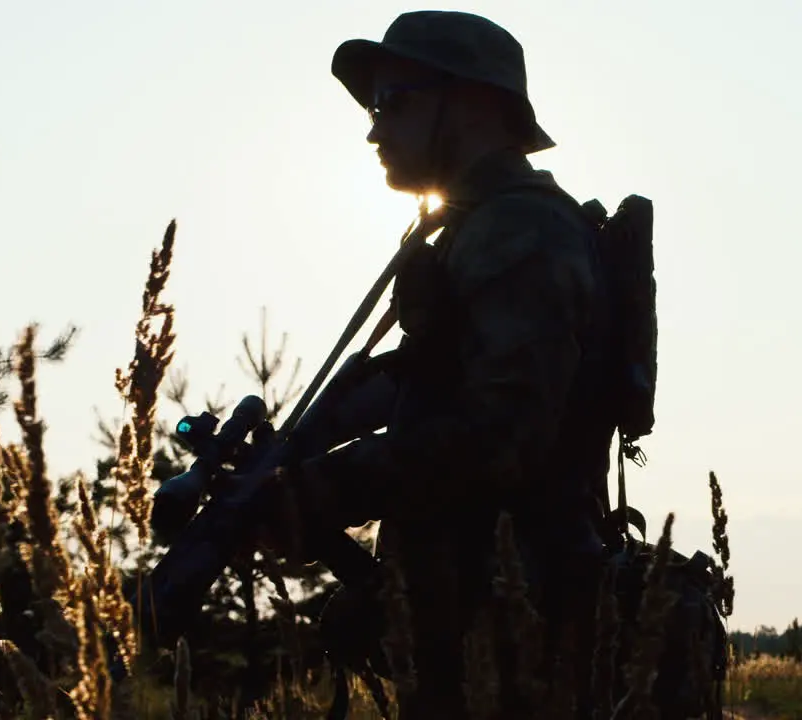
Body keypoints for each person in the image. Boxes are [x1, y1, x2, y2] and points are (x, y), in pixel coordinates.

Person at [264, 10, 619, 718]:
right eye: (373, 106)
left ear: (475, 103)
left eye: (394, 102)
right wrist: (286, 469)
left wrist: (325, 490)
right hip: (476, 624)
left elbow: (506, 434)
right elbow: (422, 389)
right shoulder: (471, 231)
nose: (373, 128)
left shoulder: (521, 230)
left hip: (525, 630)